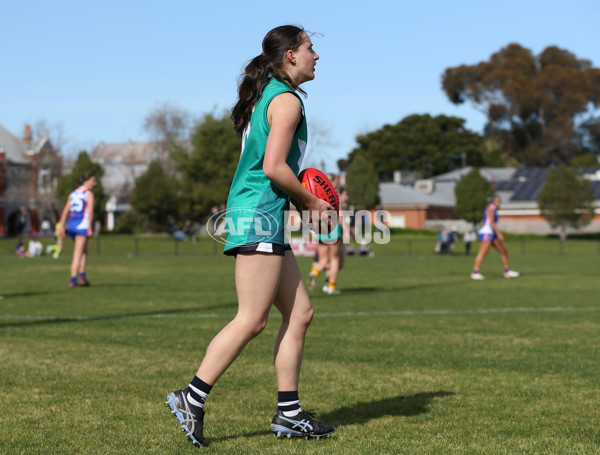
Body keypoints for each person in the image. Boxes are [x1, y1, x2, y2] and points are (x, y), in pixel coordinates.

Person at [165, 25, 334, 448]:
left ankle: (289, 414)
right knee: (252, 319)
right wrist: (310, 203)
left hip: (261, 213)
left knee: (300, 314)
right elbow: (276, 167)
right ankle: (192, 397)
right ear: (291, 56)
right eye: (311, 49)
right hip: (258, 215)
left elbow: (269, 168)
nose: (318, 56)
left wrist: (297, 203)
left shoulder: (271, 95)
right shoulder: (286, 100)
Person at [58, 173, 96, 288]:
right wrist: (90, 227)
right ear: (86, 181)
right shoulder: (88, 194)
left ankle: (83, 278)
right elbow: (90, 213)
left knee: (84, 251)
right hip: (81, 226)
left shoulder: (73, 193)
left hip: (71, 225)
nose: (95, 184)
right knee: (78, 254)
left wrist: (61, 226)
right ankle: (73, 280)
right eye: (93, 181)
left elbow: (65, 212)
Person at [470, 195, 519, 280]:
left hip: (492, 233)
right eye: (498, 201)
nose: (499, 203)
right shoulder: (491, 208)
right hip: (487, 233)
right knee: (482, 253)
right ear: (493, 201)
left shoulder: (494, 209)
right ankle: (475, 273)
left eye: (500, 201)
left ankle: (507, 271)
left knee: (503, 250)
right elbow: (491, 223)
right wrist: (499, 234)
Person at [308, 217, 344, 294]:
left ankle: (314, 273)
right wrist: (347, 231)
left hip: (321, 234)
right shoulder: (336, 204)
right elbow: (340, 216)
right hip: (334, 233)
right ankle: (331, 287)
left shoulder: (318, 204)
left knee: (323, 260)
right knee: (335, 260)